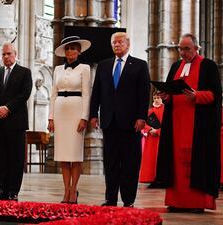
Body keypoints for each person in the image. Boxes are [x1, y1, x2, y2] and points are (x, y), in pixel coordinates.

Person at [155, 33, 222, 213]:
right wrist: (166, 96)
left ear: (196, 48)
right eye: (180, 49)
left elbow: (216, 94)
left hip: (198, 127)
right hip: (176, 125)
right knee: (175, 163)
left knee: (195, 163)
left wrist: (197, 96)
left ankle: (197, 203)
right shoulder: (176, 66)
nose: (183, 53)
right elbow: (170, 93)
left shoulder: (208, 66)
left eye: (187, 49)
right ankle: (177, 201)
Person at [89, 32, 150, 207]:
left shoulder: (139, 65)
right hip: (109, 121)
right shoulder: (104, 65)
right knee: (111, 163)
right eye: (114, 42)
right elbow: (97, 93)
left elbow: (143, 95)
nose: (117, 45)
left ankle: (128, 200)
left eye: (120, 42)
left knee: (130, 163)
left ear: (128, 44)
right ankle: (111, 198)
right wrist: (93, 114)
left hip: (131, 123)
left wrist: (141, 117)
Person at [0, 42, 32, 201]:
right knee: (1, 158)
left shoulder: (24, 73)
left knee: (16, 158)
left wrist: (7, 108)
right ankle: (3, 190)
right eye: (4, 54)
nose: (6, 57)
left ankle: (13, 191)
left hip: (16, 122)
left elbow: (24, 94)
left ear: (15, 54)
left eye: (9, 54)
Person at [47, 36, 91, 204]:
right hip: (60, 111)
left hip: (76, 110)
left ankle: (74, 190)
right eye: (67, 48)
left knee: (75, 154)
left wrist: (84, 117)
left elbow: (87, 94)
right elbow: (53, 94)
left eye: (73, 48)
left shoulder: (84, 68)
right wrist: (51, 117)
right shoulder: (57, 69)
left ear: (79, 51)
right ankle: (66, 190)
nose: (70, 51)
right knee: (63, 155)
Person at [139, 92, 164, 187]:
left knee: (159, 157)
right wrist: (149, 129)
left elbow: (168, 125)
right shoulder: (149, 111)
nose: (156, 99)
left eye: (158, 97)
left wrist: (157, 131)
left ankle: (159, 178)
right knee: (151, 157)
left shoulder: (166, 110)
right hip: (151, 138)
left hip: (160, 138)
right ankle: (149, 177)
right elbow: (144, 123)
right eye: (155, 98)